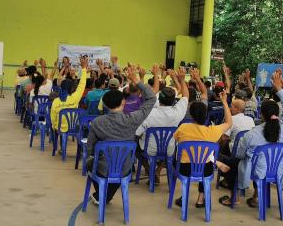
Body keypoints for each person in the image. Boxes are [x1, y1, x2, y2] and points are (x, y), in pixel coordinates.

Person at [218, 71, 283, 207]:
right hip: (279, 169)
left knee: (234, 162)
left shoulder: (253, 134)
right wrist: (280, 89)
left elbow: (239, 154)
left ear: (262, 116)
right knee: (257, 161)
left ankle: (233, 198)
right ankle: (256, 197)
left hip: (256, 170)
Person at [86, 66, 156, 205]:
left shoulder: (97, 122)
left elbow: (90, 149)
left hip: (103, 168)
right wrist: (137, 80)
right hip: (125, 168)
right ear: (123, 102)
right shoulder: (132, 120)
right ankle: (106, 196)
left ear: (105, 104)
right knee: (119, 167)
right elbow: (151, 98)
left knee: (89, 163)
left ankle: (102, 195)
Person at [172, 90, 232, 208]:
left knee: (180, 158)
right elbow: (229, 122)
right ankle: (200, 199)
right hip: (206, 170)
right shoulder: (212, 131)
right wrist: (224, 102)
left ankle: (184, 196)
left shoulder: (183, 127)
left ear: (191, 114)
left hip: (184, 169)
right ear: (206, 115)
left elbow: (176, 141)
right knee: (204, 163)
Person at [135, 66, 190, 183]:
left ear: (159, 99)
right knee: (171, 151)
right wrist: (182, 79)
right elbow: (186, 96)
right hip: (169, 149)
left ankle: (150, 170)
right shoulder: (178, 112)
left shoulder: (149, 112)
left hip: (149, 150)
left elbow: (137, 132)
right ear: (174, 100)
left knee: (135, 146)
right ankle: (158, 170)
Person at [50, 56, 88, 137]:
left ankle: (60, 144)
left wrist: (54, 127)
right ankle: (79, 148)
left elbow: (53, 118)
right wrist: (84, 68)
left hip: (59, 128)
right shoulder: (75, 97)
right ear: (71, 88)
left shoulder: (56, 101)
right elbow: (82, 84)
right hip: (74, 127)